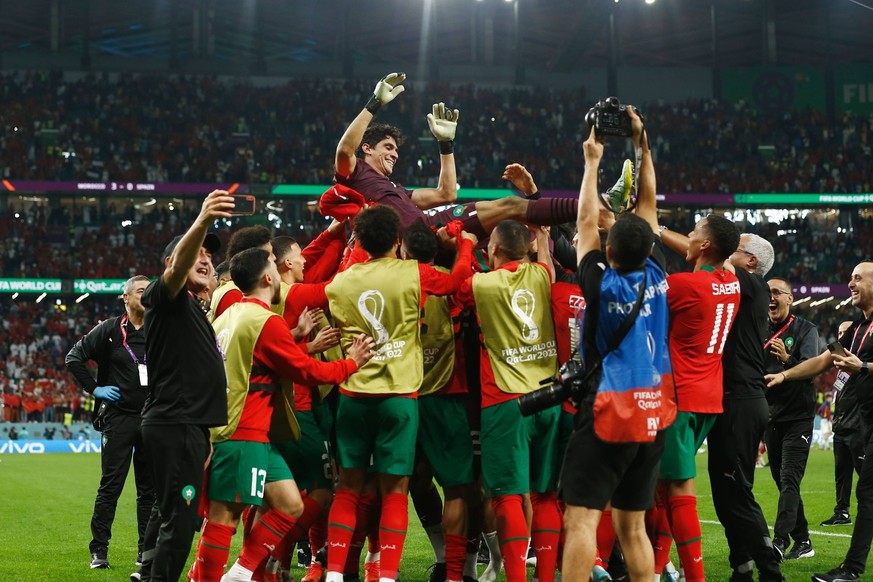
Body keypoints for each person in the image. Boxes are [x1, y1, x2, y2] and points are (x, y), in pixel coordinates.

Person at [192, 247, 375, 582]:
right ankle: (206, 577)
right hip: (242, 430)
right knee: (224, 517)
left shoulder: (227, 318)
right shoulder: (265, 320)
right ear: (267, 277)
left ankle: (242, 572)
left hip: (253, 431)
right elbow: (306, 372)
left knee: (290, 504)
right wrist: (353, 363)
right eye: (275, 269)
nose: (280, 274)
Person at [322, 204, 476, 582]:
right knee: (397, 490)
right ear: (396, 241)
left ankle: (335, 574)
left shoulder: (339, 283)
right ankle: (394, 575)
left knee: (350, 488)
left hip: (353, 397)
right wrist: (466, 245)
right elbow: (456, 282)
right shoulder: (414, 274)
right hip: (403, 396)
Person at [560, 119, 675, 582]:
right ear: (650, 247)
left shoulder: (598, 280)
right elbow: (647, 201)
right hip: (654, 411)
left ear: (607, 248)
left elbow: (586, 218)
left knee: (582, 519)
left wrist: (592, 160)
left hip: (608, 408)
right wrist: (643, 139)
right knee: (633, 527)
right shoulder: (658, 275)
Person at [333, 73, 578, 238]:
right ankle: (588, 209)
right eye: (388, 147)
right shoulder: (356, 174)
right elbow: (345, 150)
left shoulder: (397, 190)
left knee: (514, 224)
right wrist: (374, 103)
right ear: (366, 148)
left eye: (396, 149)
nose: (395, 154)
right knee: (510, 205)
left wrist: (446, 144)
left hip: (429, 229)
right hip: (421, 234)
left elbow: (447, 194)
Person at [455, 220, 561, 582]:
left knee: (508, 497)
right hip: (550, 398)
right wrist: (544, 238)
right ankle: (545, 576)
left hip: (506, 403)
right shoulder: (543, 275)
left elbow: (456, 285)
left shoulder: (483, 284)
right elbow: (547, 261)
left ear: (494, 250)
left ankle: (515, 576)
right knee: (545, 495)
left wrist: (466, 244)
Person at [640, 205, 742, 579]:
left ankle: (694, 577)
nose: (691, 234)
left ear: (706, 243)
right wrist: (659, 228)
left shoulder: (684, 285)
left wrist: (642, 235)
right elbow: (709, 257)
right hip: (708, 398)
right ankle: (654, 569)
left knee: (678, 489)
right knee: (665, 486)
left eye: (696, 230)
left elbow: (647, 296)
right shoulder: (730, 284)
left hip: (678, 398)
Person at [137, 189, 234, 582]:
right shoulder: (164, 295)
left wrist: (204, 430)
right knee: (179, 522)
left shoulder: (193, 307)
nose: (207, 259)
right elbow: (177, 271)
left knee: (178, 519)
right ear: (172, 264)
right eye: (198, 254)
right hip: (174, 424)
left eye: (211, 256)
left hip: (188, 425)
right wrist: (204, 219)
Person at [767, 262, 873, 582]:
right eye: (850, 277)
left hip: (850, 423)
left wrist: (865, 366)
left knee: (866, 494)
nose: (850, 283)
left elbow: (858, 365)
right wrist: (785, 373)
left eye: (858, 278)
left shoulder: (850, 332)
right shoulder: (854, 330)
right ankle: (851, 569)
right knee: (866, 495)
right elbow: (820, 362)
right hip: (866, 423)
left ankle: (848, 569)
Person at [65, 275, 156, 570]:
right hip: (119, 417)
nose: (146, 295)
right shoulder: (109, 330)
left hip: (153, 419)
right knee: (111, 486)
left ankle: (145, 551)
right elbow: (73, 358)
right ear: (126, 298)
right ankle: (99, 550)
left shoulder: (161, 329)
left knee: (149, 490)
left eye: (149, 291)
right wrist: (95, 389)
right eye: (140, 291)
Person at [762, 277, 824, 561]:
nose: (770, 297)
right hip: (770, 417)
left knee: (789, 479)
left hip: (798, 416)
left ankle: (779, 541)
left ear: (789, 298)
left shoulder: (805, 330)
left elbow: (812, 370)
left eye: (776, 292)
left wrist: (787, 360)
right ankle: (804, 541)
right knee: (781, 479)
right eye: (767, 293)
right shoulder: (759, 328)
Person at [822, 320, 862, 527]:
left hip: (858, 428)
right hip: (841, 427)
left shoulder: (860, 363)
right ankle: (842, 513)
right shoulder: (840, 367)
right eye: (839, 333)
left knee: (865, 475)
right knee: (842, 475)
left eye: (845, 333)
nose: (841, 337)